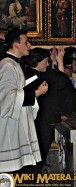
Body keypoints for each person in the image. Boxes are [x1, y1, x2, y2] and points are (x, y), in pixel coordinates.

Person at [0, 29, 48, 172]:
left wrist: (32, 92)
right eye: (26, 42)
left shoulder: (13, 63)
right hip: (9, 124)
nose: (29, 45)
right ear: (16, 44)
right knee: (9, 171)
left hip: (15, 121)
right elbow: (6, 96)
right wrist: (36, 92)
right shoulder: (8, 65)